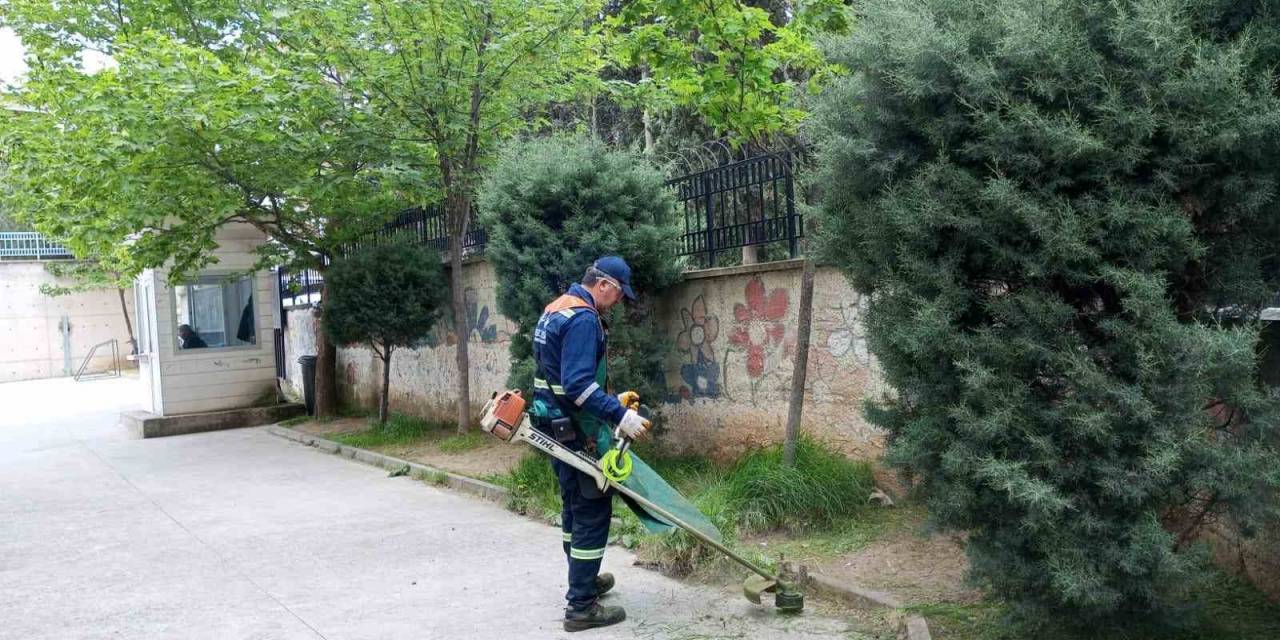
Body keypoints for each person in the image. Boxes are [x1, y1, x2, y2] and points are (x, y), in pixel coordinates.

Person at [531, 256, 652, 632]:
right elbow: (579, 385)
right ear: (604, 285)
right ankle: (581, 606)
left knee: (572, 503)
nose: (617, 302)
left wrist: (611, 400)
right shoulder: (584, 318)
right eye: (618, 294)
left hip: (550, 421)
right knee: (592, 508)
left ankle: (581, 578)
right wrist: (622, 417)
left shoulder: (557, 308)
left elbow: (559, 378)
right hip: (572, 429)